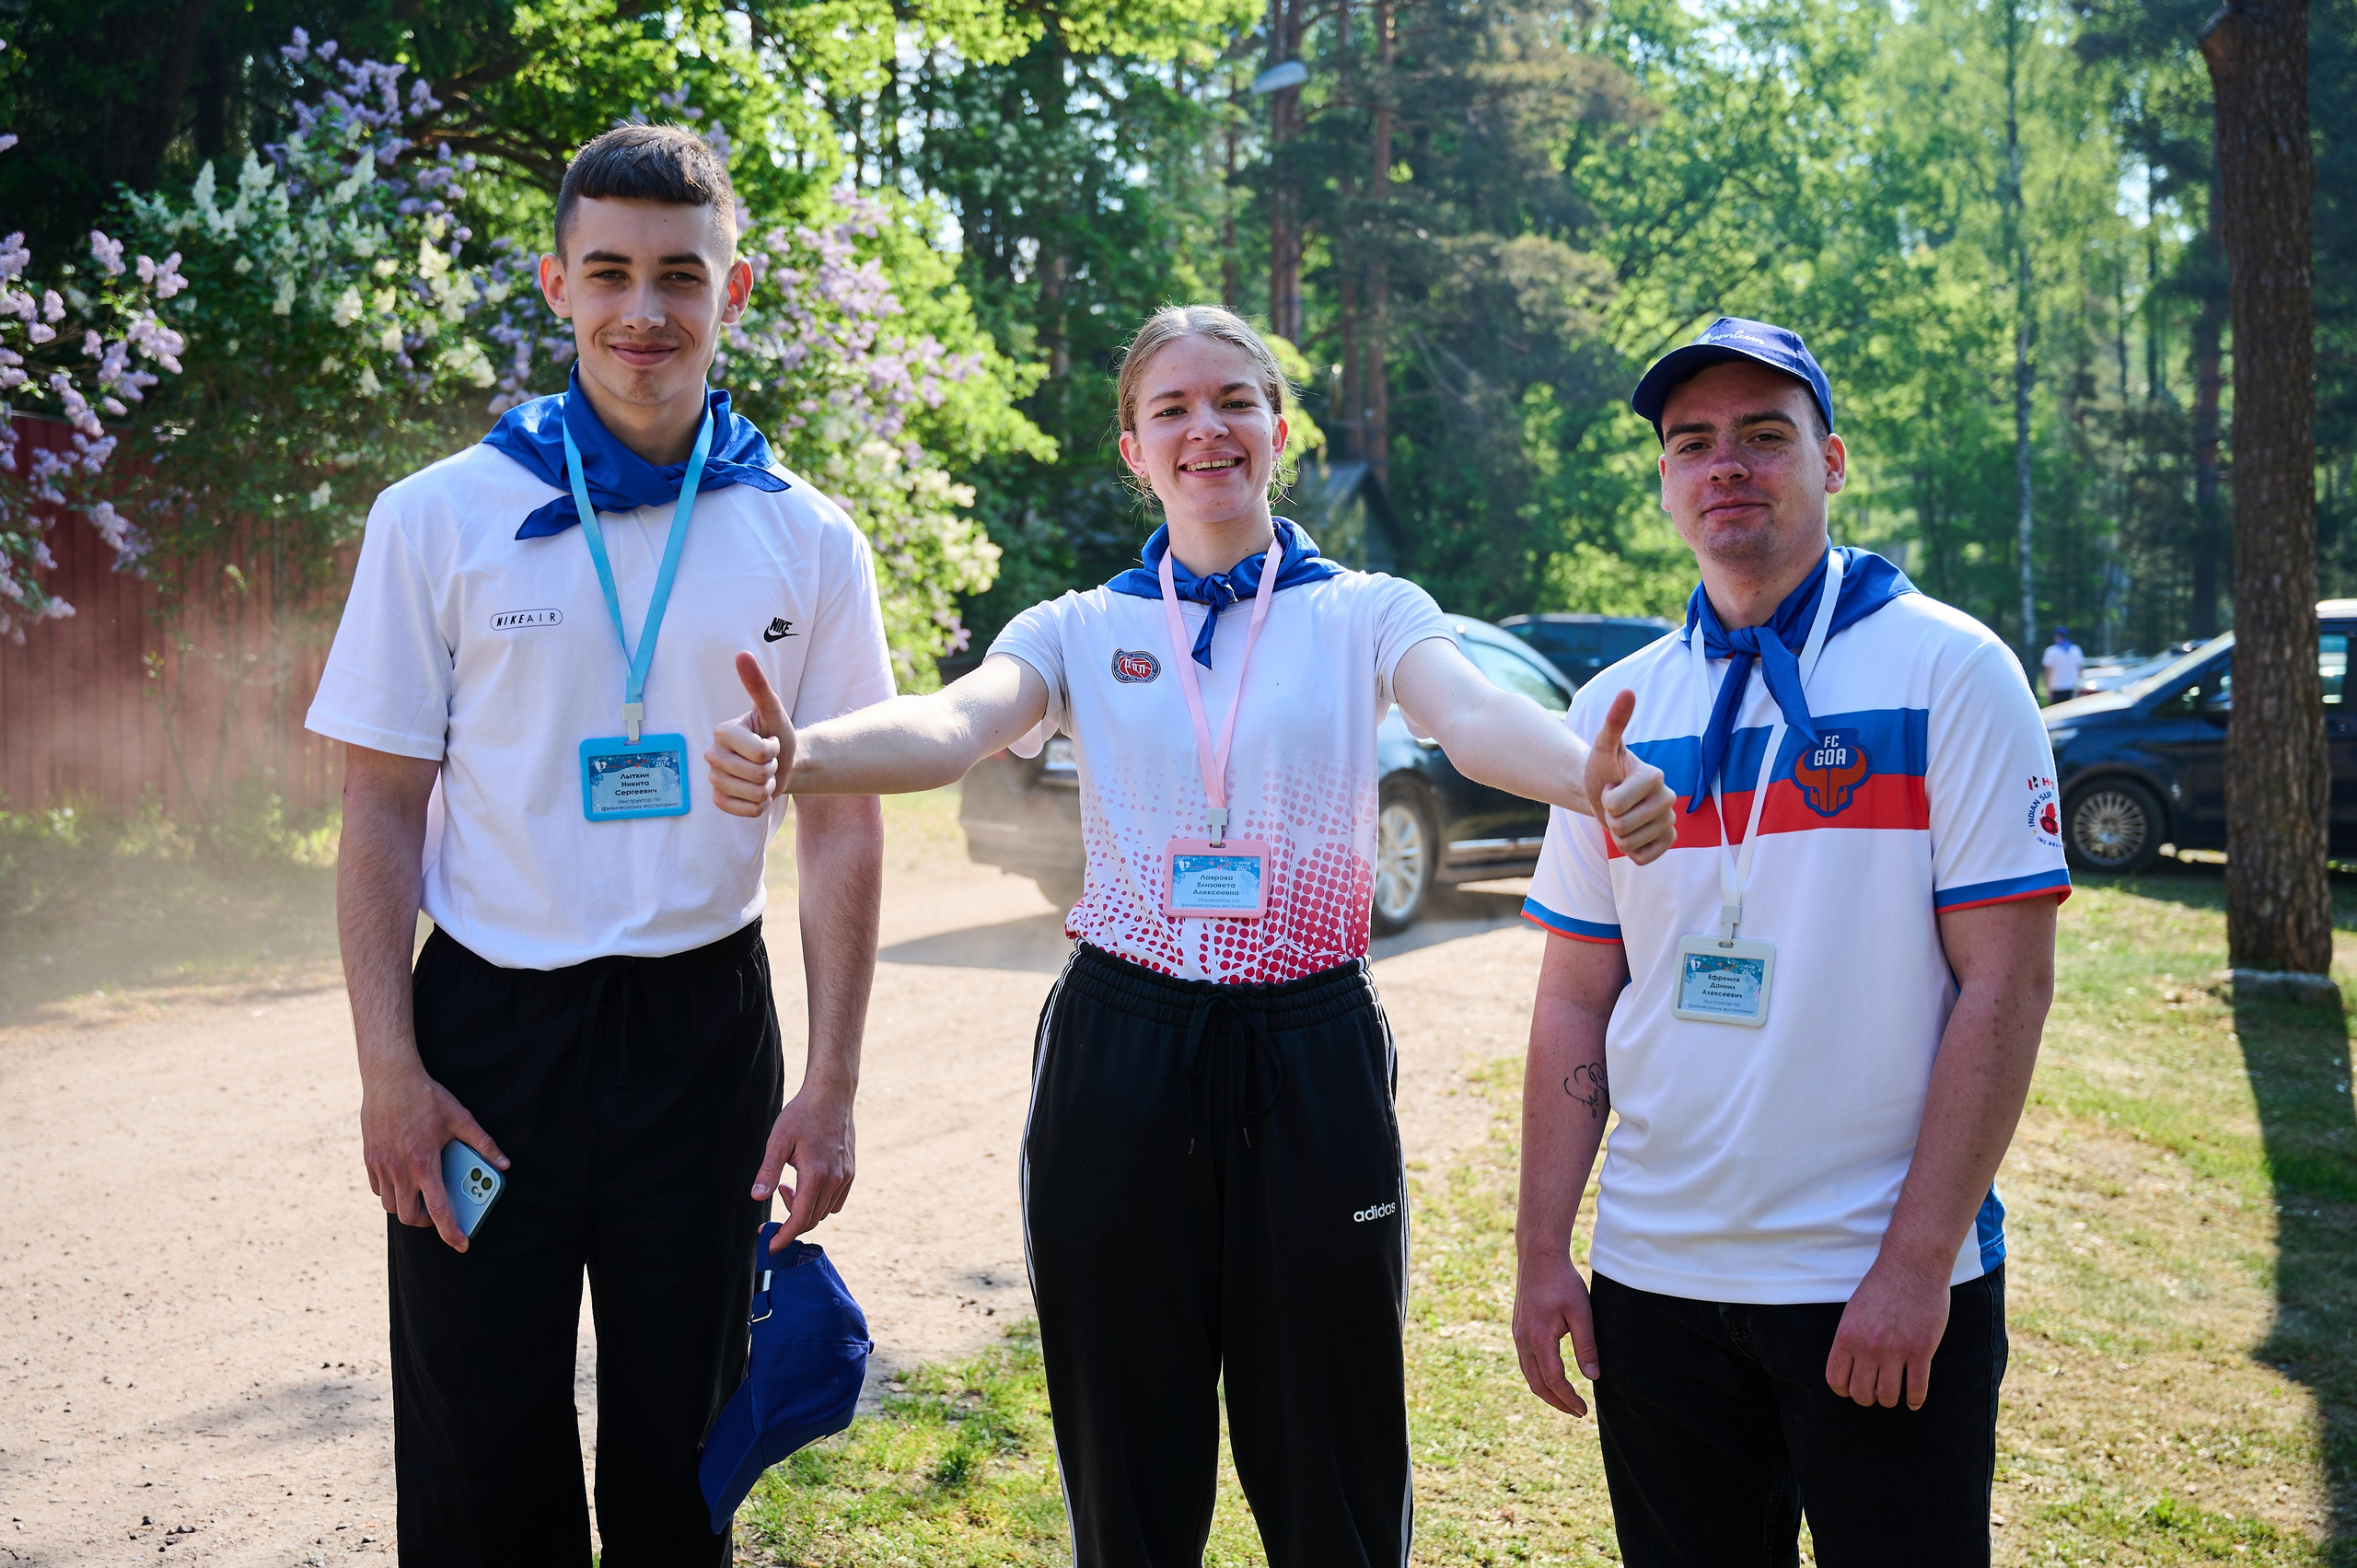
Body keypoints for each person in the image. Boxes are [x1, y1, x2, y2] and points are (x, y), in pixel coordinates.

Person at [704, 303, 1679, 1567]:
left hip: (1310, 1044)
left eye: (1232, 401)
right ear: (1133, 449)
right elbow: (954, 724)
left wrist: (1584, 776)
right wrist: (807, 750)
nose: (1205, 428)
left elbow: (1473, 716)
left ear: (1278, 427)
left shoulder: (1368, 610)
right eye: (1171, 408)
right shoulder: (1079, 626)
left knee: (1333, 1453)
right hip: (1125, 1044)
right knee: (1128, 1458)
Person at [306, 125, 894, 1566]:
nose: (646, 310)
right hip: (490, 1027)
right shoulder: (438, 515)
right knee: (477, 1448)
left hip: (703, 1030)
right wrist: (391, 1069)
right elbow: (378, 806)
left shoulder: (807, 537)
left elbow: (844, 819)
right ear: (559, 283)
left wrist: (830, 1084)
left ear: (735, 291)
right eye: (613, 272)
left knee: (679, 1454)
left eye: (681, 276)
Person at [1508, 317, 2067, 1567]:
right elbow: (1573, 999)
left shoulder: (1951, 669)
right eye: (1693, 443)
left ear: (1833, 459)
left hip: (1870, 1277)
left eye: (1767, 435)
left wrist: (1919, 1263)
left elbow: (2009, 983)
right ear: (1665, 481)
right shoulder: (1616, 707)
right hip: (1656, 1281)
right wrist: (1545, 1250)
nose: (1729, 467)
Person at [2042, 624, 2084, 703]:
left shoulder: (2051, 651)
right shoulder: (2076, 650)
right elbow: (2080, 670)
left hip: (2056, 687)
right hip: (2073, 686)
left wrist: (2048, 688)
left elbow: (2048, 671)